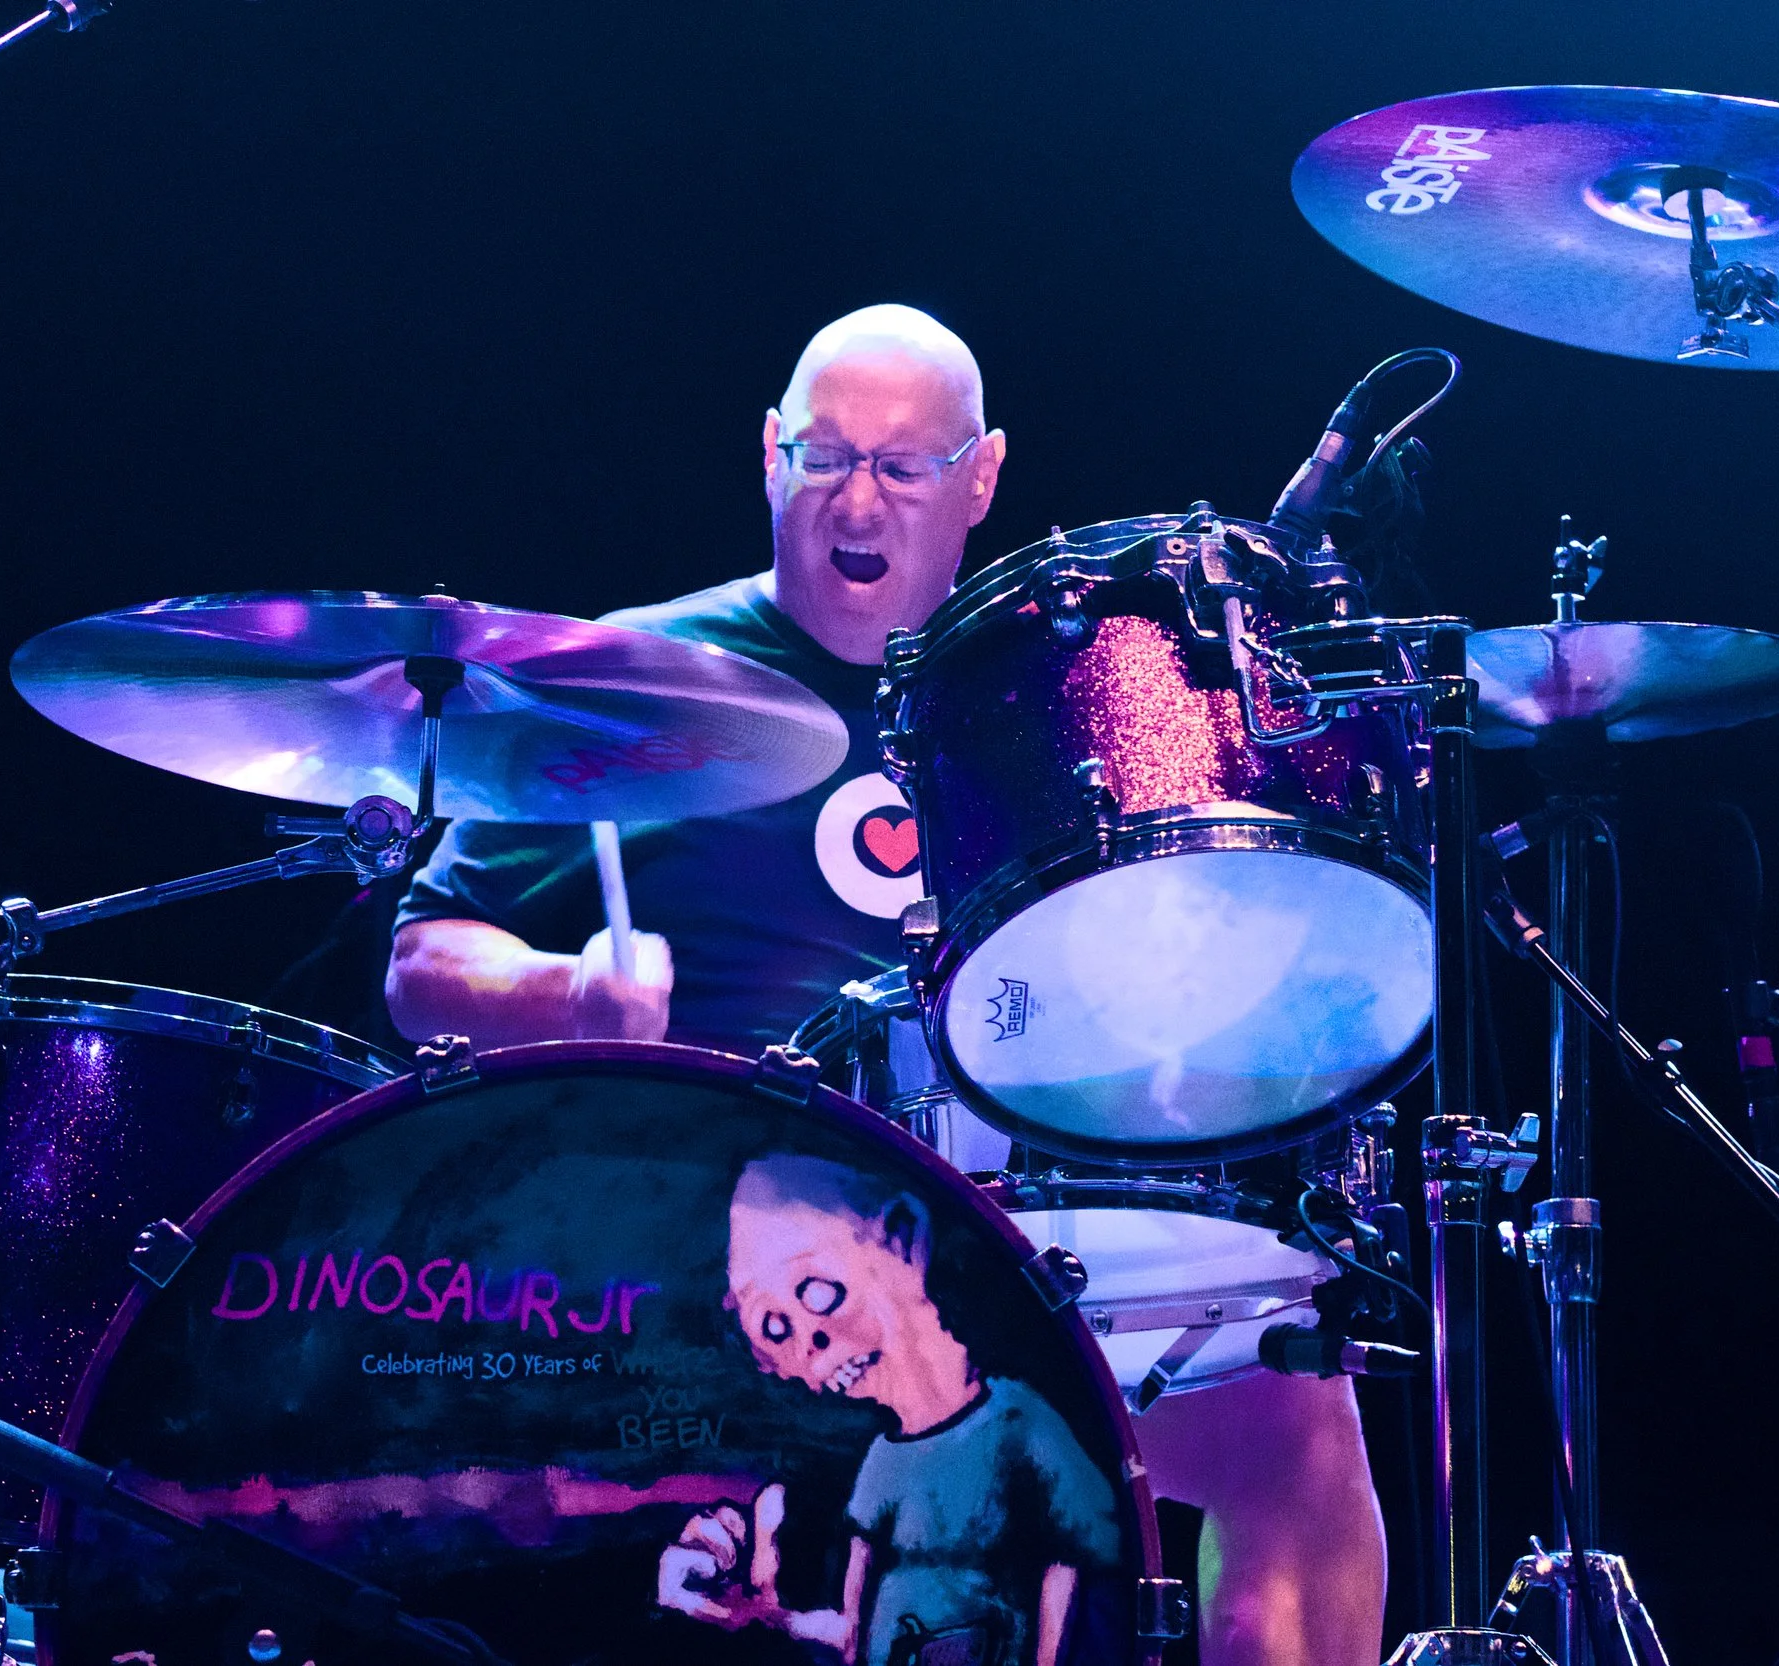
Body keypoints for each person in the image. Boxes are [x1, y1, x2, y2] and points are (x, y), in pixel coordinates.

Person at [385, 303, 1388, 1665]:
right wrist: (568, 992)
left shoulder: (1057, 686)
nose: (857, 499)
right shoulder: (628, 678)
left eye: (904, 467)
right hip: (719, 1258)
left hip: (1007, 1240)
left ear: (979, 478)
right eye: (826, 455)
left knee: (1294, 1414)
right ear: (766, 455)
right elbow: (422, 963)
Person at [656, 1155, 1119, 1666]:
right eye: (773, 1327)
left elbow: (1071, 1561)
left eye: (816, 1292)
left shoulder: (1018, 1423)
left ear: (901, 1236)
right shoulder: (880, 1461)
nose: (810, 1346)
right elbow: (854, 1632)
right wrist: (761, 1614)